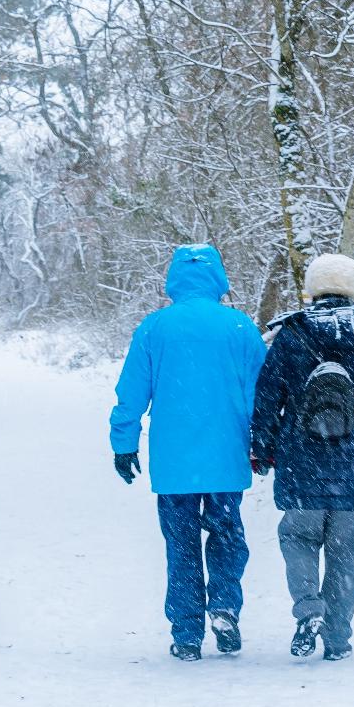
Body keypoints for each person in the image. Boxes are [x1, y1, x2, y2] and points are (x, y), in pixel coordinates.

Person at [110, 244, 267, 661]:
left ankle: (186, 633)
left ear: (174, 279)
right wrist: (264, 441)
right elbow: (262, 395)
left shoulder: (155, 328)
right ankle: (225, 606)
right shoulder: (239, 327)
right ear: (218, 278)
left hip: (175, 462)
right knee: (227, 536)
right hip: (226, 456)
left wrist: (123, 443)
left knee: (180, 545)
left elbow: (131, 393)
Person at [249, 253, 354, 661]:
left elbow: (267, 398)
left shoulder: (292, 333)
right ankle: (337, 641)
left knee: (297, 538)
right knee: (346, 554)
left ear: (313, 288)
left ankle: (308, 609)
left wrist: (261, 449)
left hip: (302, 461)